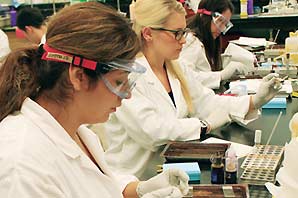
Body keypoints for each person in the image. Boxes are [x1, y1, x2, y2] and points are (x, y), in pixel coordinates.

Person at [0, 2, 189, 198]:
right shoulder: (22, 167)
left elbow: (94, 185)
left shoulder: (77, 131)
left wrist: (138, 189)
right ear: (79, 76)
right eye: (118, 82)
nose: (128, 95)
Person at [104, 0, 281, 180]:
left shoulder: (175, 66)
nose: (183, 40)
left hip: (170, 171)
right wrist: (205, 125)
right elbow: (153, 131)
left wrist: (254, 101)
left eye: (184, 32)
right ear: (148, 33)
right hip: (134, 178)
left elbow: (206, 102)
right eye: (177, 34)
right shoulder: (128, 75)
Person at [179, 0, 254, 89]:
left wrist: (225, 61)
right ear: (203, 15)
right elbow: (185, 78)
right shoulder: (190, 41)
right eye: (219, 21)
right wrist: (221, 75)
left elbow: (202, 67)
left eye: (225, 24)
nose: (221, 29)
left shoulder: (206, 39)